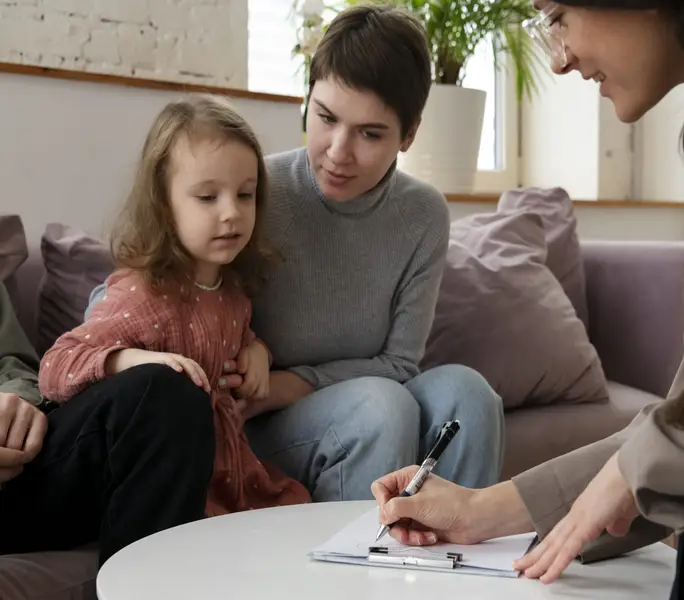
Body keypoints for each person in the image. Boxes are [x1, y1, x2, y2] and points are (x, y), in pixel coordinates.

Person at [371, 1, 684, 599]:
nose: (559, 57)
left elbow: (682, 443)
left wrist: (641, 466)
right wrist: (481, 511)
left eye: (557, 15)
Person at [84, 5, 505, 503]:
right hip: (251, 423)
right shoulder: (249, 190)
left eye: (370, 134)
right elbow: (130, 295)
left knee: (469, 397)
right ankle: (354, 575)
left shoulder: (423, 215)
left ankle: (457, 565)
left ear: (409, 134)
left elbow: (399, 363)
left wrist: (283, 381)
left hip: (298, 398)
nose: (338, 152)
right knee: (380, 406)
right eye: (325, 118)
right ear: (307, 100)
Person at [41, 95, 311, 524]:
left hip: (232, 473)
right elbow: (56, 368)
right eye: (207, 197)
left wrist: (258, 352)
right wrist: (131, 360)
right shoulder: (142, 294)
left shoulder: (233, 292)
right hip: (168, 481)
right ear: (165, 207)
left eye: (245, 195)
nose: (232, 213)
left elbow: (238, 340)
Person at [0, 270, 215, 562]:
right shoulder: (134, 296)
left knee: (164, 391)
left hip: (19, 467)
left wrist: (17, 402)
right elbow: (62, 360)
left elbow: (13, 364)